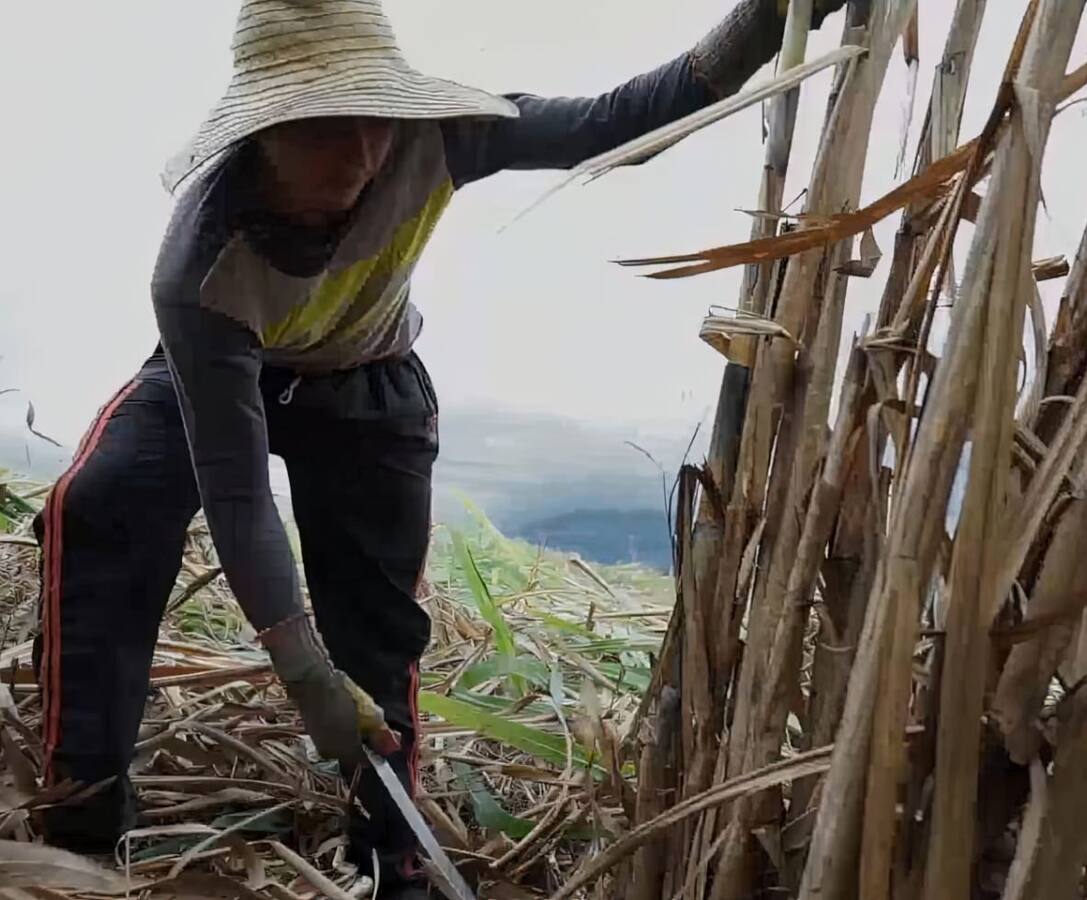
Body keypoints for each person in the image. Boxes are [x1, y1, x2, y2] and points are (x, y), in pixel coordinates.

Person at [33, 0, 846, 896]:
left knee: (376, 627)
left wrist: (767, 19)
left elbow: (615, 125)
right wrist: (304, 674)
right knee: (98, 503)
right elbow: (237, 491)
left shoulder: (437, 140)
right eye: (327, 128)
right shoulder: (200, 267)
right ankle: (81, 823)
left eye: (374, 117)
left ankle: (396, 854)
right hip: (227, 369)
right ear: (262, 135)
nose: (365, 152)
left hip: (367, 376)